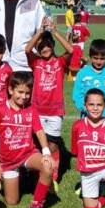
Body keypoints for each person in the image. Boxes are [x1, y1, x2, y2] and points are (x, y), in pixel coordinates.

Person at [0, 72, 54, 208]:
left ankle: (37, 205)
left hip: (27, 154)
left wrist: (46, 152)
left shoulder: (31, 109)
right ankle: (20, 179)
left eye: (27, 93)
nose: (24, 97)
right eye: (20, 92)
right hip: (8, 161)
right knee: (12, 202)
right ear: (11, 90)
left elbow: (39, 131)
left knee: (48, 165)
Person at [25, 18, 75, 189]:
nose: (44, 49)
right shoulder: (36, 62)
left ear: (53, 45)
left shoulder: (60, 62)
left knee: (53, 145)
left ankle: (53, 176)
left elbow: (71, 50)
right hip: (37, 110)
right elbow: (27, 49)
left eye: (48, 46)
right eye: (41, 47)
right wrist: (40, 32)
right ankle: (37, 174)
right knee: (37, 144)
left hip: (55, 111)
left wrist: (54, 31)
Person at [72, 39, 105, 134]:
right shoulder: (82, 73)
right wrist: (88, 109)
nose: (98, 61)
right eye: (95, 58)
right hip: (87, 120)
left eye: (102, 58)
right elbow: (77, 96)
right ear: (90, 56)